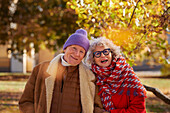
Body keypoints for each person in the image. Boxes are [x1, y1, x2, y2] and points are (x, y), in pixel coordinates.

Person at [19, 29, 96, 113]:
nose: (77, 54)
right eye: (74, 48)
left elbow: (97, 107)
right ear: (65, 48)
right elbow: (25, 101)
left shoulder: (90, 76)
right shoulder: (40, 69)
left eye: (81, 51)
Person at [86, 37, 147, 113]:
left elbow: (139, 109)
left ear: (112, 53)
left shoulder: (127, 73)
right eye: (97, 53)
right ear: (93, 58)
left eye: (106, 52)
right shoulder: (92, 76)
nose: (102, 55)